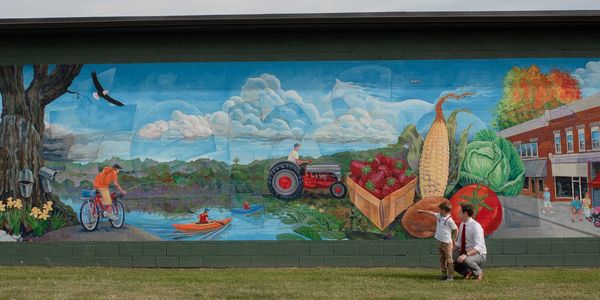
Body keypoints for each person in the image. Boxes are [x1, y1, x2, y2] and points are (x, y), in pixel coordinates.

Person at [418, 202, 458, 281]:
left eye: (440, 209)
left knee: (449, 260)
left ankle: (450, 277)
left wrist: (453, 240)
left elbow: (456, 230)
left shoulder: (449, 220)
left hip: (447, 243)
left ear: (444, 210)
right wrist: (422, 211)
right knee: (442, 259)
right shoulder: (439, 216)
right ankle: (444, 275)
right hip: (440, 241)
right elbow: (432, 213)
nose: (439, 210)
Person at [453, 203, 487, 281]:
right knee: (448, 258)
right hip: (465, 252)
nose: (458, 214)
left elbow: (478, 247)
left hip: (479, 254)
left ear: (465, 214)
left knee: (467, 260)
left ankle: (479, 273)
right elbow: (459, 243)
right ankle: (468, 272)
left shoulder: (476, 226)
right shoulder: (462, 225)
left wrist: (465, 255)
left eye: (460, 212)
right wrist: (448, 251)